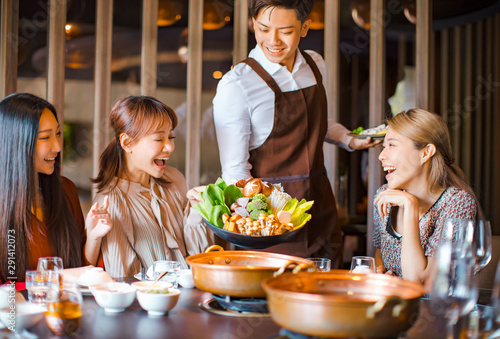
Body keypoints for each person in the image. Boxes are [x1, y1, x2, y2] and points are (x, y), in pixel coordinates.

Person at [212, 0, 379, 267]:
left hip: (320, 205)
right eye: (263, 29)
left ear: (305, 28)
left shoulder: (314, 64)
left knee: (325, 292)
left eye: (285, 31)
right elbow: (235, 172)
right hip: (270, 217)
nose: (273, 40)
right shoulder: (237, 84)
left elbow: (320, 123)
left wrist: (348, 138)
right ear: (253, 24)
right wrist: (261, 224)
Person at [85, 96, 213, 278]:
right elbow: (124, 279)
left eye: (171, 136)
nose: (169, 147)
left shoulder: (174, 179)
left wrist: (198, 211)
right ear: (127, 143)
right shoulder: (111, 202)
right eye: (159, 139)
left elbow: (200, 258)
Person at [374, 109, 480, 284]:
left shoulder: (457, 203)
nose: (381, 155)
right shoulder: (384, 195)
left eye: (392, 145)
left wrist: (410, 205)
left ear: (425, 153)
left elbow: (421, 283)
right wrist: (379, 272)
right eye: (383, 146)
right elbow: (380, 253)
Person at [0, 93, 85, 283]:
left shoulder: (65, 190)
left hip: (65, 309)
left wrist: (95, 237)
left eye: (57, 133)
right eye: (45, 137)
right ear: (16, 144)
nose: (57, 146)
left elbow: (82, 268)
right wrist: (57, 277)